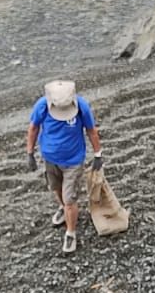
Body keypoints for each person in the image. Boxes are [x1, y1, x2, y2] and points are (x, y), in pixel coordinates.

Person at [25, 80, 102, 254]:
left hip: (73, 161)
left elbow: (91, 130)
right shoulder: (42, 106)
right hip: (50, 159)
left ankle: (71, 232)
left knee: (70, 199)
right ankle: (63, 208)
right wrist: (30, 153)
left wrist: (98, 154)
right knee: (56, 188)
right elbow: (33, 128)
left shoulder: (82, 106)